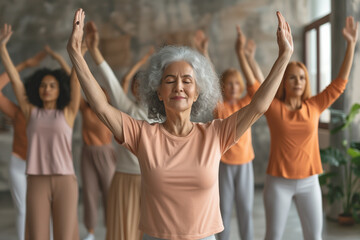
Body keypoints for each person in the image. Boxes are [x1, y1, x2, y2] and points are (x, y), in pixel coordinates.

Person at [67, 9, 293, 240]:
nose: (179, 87)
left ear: (196, 93)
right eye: (169, 80)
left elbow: (259, 106)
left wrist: (284, 56)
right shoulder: (143, 135)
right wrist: (75, 54)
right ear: (159, 92)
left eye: (187, 81)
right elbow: (101, 107)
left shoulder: (215, 134)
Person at [261, 16, 358, 240]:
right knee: (273, 236)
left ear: (306, 82)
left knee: (314, 237)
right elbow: (257, 86)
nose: (298, 81)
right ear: (284, 82)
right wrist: (277, 56)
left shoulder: (314, 105)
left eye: (302, 78)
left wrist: (351, 44)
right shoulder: (273, 107)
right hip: (278, 183)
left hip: (309, 182)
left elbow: (339, 84)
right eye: (292, 77)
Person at [0, 24, 84, 240]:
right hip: (36, 178)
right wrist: (2, 49)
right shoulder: (30, 112)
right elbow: (16, 82)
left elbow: (75, 81)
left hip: (65, 179)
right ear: (37, 88)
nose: (46, 89)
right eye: (43, 85)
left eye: (52, 85)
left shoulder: (68, 112)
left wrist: (76, 53)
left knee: (65, 235)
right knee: (37, 234)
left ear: (59, 90)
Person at [84, 20, 153, 240]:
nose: (140, 89)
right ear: (132, 88)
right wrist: (94, 50)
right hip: (124, 178)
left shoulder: (163, 116)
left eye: (145, 85)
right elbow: (111, 80)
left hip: (152, 181)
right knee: (124, 231)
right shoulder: (126, 107)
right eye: (136, 85)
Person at [214, 27, 263, 240]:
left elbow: (258, 88)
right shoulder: (219, 107)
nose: (233, 87)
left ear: (240, 85)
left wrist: (241, 54)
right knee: (223, 211)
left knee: (245, 211)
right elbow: (210, 86)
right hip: (224, 164)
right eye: (228, 83)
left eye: (236, 83)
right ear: (222, 86)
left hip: (245, 164)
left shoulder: (246, 103)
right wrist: (203, 52)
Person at [0, 50, 46, 240]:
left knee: (44, 209)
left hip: (42, 168)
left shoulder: (53, 114)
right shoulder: (17, 112)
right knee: (23, 209)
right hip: (19, 164)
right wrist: (25, 65)